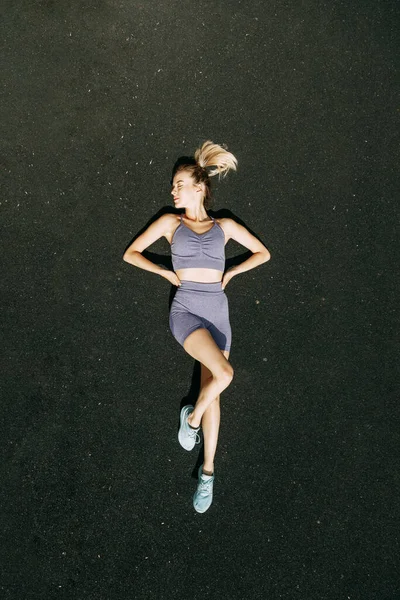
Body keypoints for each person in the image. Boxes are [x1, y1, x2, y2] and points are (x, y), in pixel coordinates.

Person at [123, 140, 271, 513]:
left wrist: (233, 271)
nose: (173, 190)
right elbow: (131, 254)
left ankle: (207, 473)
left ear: (199, 186)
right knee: (223, 373)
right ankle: (190, 419)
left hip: (218, 311)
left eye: (178, 183)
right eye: (173, 185)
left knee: (215, 391)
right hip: (187, 309)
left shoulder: (225, 225)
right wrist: (163, 271)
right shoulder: (170, 222)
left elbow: (263, 253)